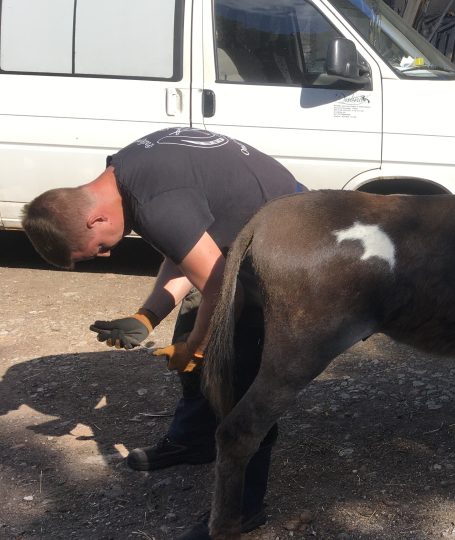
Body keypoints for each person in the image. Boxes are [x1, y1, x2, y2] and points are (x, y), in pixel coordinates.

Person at [22, 127, 305, 537]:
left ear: (94, 218)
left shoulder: (151, 201)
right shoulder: (124, 175)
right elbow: (185, 247)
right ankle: (195, 440)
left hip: (290, 234)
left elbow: (227, 291)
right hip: (248, 227)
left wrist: (196, 351)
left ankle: (243, 508)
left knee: (238, 369)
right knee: (196, 323)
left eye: (98, 247)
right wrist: (147, 317)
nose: (108, 254)